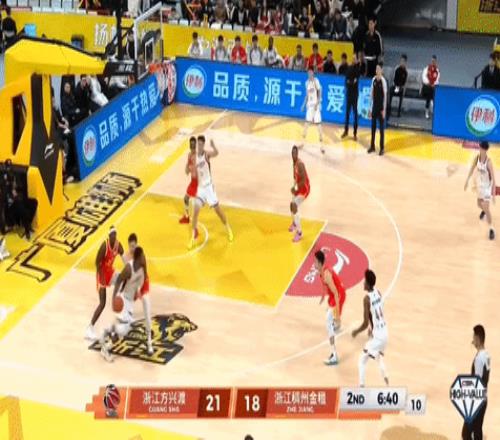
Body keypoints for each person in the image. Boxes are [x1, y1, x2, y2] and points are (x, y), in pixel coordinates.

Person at [100, 246, 148, 362]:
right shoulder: (128, 268)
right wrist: (114, 297)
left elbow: (137, 283)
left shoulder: (141, 269)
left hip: (129, 301)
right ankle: (106, 348)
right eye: (141, 257)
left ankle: (107, 330)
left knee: (125, 326)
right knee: (124, 329)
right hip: (123, 299)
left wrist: (137, 293)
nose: (143, 258)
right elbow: (119, 281)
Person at [188, 136, 233, 250]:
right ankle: (192, 237)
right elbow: (191, 172)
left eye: (201, 144)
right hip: (200, 189)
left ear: (203, 145)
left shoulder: (206, 155)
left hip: (208, 187)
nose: (199, 146)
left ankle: (228, 228)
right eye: (198, 144)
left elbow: (216, 153)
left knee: (218, 210)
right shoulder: (193, 157)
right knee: (195, 212)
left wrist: (213, 146)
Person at [86, 227, 125, 341]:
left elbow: (124, 258)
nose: (114, 237)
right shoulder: (104, 246)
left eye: (115, 234)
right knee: (102, 304)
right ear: (109, 236)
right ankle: (90, 328)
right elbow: (97, 262)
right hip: (102, 275)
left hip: (110, 273)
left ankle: (121, 309)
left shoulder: (118, 245)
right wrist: (101, 279)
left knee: (124, 280)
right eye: (112, 235)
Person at [352, 269, 389, 387]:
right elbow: (378, 312)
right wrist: (372, 328)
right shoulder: (378, 292)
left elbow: (364, 323)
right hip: (385, 332)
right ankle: (386, 380)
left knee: (362, 361)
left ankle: (361, 388)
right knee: (379, 357)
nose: (363, 283)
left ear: (368, 284)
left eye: (365, 281)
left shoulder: (366, 299)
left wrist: (356, 331)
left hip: (378, 336)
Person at [315, 250, 346, 366]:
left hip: (338, 295)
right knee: (330, 315)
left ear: (319, 263)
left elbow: (336, 293)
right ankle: (337, 324)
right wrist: (323, 296)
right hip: (335, 295)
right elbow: (324, 285)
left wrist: (337, 315)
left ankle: (334, 355)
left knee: (328, 322)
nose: (314, 264)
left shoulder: (326, 275)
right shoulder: (321, 272)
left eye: (315, 262)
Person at [124, 233, 152, 354]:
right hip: (133, 286)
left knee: (147, 308)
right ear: (128, 245)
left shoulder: (141, 255)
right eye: (131, 246)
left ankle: (149, 340)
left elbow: (143, 274)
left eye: (134, 246)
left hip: (143, 284)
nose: (133, 248)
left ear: (137, 245)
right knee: (124, 310)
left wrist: (139, 289)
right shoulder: (126, 257)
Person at [461, 325, 490, 440]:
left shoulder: (479, 359)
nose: (472, 339)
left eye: (473, 336)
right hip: (484, 399)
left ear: (477, 338)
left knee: (466, 433)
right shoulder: (486, 355)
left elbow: (477, 382)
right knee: (477, 431)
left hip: (477, 400)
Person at [464, 141, 496, 240]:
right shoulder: (477, 158)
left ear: (485, 149)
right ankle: (484, 211)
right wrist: (467, 181)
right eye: (480, 147)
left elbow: (494, 179)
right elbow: (471, 169)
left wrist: (493, 194)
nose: (480, 149)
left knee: (486, 207)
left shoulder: (489, 162)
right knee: (479, 204)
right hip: (480, 186)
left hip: (487, 187)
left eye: (481, 148)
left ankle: (491, 229)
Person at [289, 146, 310, 242]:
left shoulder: (300, 164)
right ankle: (294, 223)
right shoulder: (294, 163)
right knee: (291, 205)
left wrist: (296, 189)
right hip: (298, 188)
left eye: (295, 153)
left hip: (304, 189)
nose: (293, 155)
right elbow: (295, 177)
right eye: (292, 153)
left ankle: (299, 232)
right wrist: (293, 187)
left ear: (297, 154)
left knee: (294, 206)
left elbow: (304, 180)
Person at [300, 68, 324, 153]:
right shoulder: (307, 83)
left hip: (316, 106)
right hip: (309, 106)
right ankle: (302, 143)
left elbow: (320, 91)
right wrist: (303, 105)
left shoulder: (316, 81)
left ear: (313, 73)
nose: (309, 74)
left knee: (319, 126)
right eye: (308, 72)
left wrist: (317, 103)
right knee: (306, 125)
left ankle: (322, 146)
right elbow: (307, 96)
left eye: (311, 72)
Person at [368, 64, 387, 155]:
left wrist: (384, 110)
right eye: (376, 69)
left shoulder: (383, 81)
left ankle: (382, 148)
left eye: (379, 69)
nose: (377, 71)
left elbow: (385, 97)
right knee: (373, 128)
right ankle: (372, 146)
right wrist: (370, 108)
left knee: (381, 130)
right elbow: (371, 94)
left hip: (381, 108)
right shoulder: (373, 80)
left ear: (381, 71)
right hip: (374, 107)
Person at [179, 137, 198, 224]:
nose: (192, 147)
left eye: (193, 145)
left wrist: (190, 168)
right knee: (186, 198)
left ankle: (195, 227)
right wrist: (187, 168)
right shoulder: (190, 155)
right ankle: (187, 217)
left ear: (195, 145)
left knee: (194, 204)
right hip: (193, 182)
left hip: (198, 182)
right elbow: (188, 167)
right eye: (191, 145)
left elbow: (195, 170)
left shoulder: (197, 156)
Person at [342, 52, 360, 140]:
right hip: (349, 93)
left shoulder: (358, 69)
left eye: (355, 58)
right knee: (347, 113)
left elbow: (355, 81)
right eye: (352, 58)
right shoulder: (349, 68)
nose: (353, 60)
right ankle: (346, 131)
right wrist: (350, 82)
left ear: (357, 59)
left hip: (355, 94)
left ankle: (355, 133)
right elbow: (346, 81)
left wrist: (351, 82)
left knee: (355, 113)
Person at [389, 54, 408, 119]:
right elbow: (393, 79)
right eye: (401, 61)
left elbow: (405, 82)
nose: (402, 62)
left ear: (405, 62)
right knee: (390, 91)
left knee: (401, 92)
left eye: (403, 61)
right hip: (395, 85)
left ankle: (398, 112)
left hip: (401, 87)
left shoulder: (405, 71)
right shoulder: (397, 69)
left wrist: (403, 88)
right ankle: (389, 109)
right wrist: (395, 85)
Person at [422, 55, 440, 119]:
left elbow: (437, 80)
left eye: (434, 61)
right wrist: (429, 83)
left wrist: (433, 84)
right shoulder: (427, 68)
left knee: (432, 92)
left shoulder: (437, 70)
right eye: (432, 61)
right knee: (429, 92)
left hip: (433, 88)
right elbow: (424, 78)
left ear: (436, 62)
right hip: (426, 87)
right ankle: (427, 111)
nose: (433, 62)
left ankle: (432, 109)